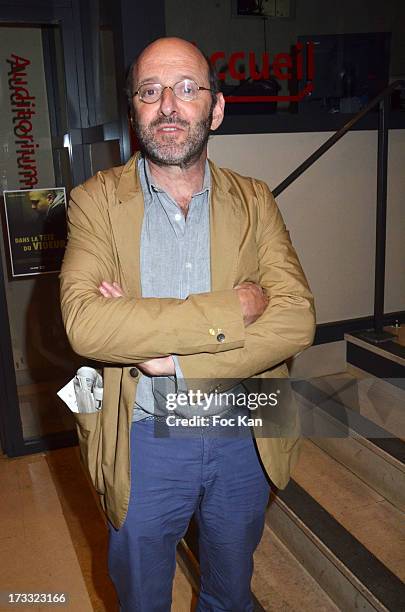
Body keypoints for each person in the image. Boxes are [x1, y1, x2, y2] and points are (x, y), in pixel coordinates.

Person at [60, 37, 315, 611]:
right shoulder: (93, 202)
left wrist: (175, 359)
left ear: (216, 108)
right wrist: (234, 309)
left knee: (231, 591)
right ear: (134, 112)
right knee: (142, 597)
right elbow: (86, 324)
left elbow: (297, 318)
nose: (168, 106)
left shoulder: (256, 202)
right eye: (150, 92)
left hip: (243, 426)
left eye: (186, 89)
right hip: (144, 434)